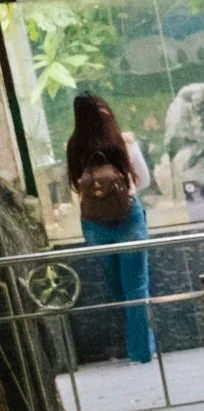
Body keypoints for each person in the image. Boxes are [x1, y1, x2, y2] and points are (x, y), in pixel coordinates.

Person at [65, 93, 154, 363]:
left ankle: (131, 341)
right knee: (136, 287)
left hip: (94, 226)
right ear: (105, 112)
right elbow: (145, 180)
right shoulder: (122, 141)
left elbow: (73, 184)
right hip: (129, 219)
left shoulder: (74, 146)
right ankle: (140, 352)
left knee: (117, 288)